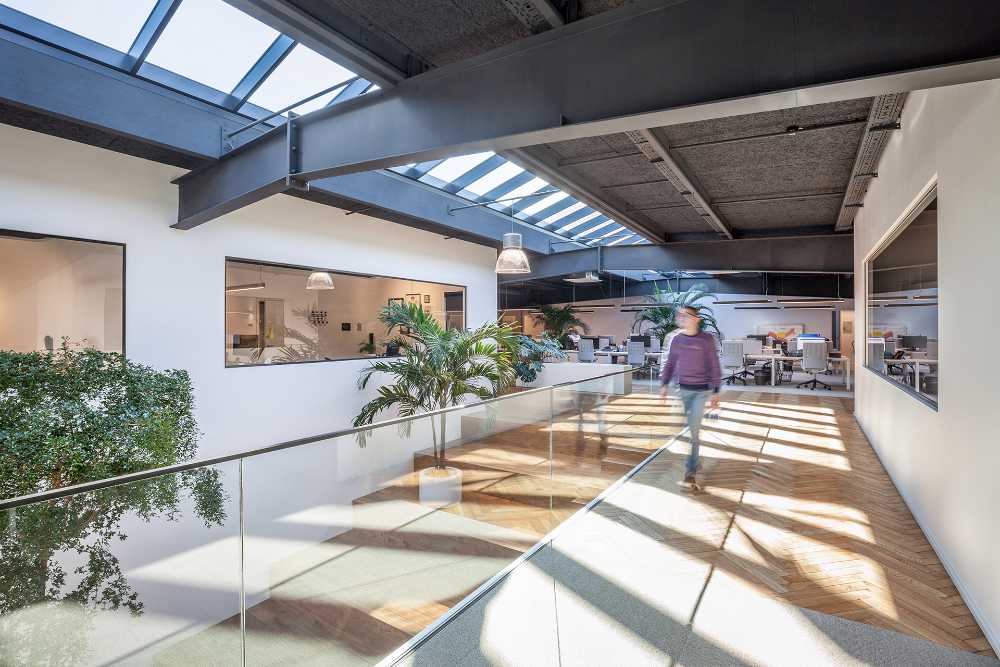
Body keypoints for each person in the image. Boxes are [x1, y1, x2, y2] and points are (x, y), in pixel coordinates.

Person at [659, 306, 721, 489]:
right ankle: (695, 460)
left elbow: (714, 365)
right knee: (687, 431)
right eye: (679, 315)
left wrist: (716, 391)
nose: (681, 318)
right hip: (682, 391)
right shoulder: (677, 339)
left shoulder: (706, 340)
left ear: (696, 318)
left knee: (694, 432)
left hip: (701, 392)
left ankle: (690, 472)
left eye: (685, 315)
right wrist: (663, 385)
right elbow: (670, 363)